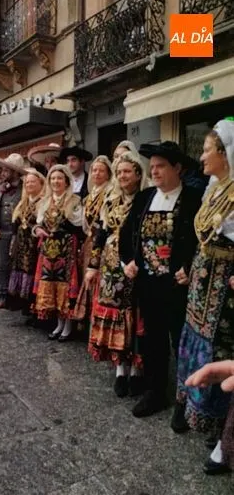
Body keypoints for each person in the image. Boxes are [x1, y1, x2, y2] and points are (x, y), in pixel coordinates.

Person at [120, 141, 202, 419]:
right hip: (148, 283)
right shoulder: (144, 198)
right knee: (152, 340)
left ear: (177, 168)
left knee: (181, 342)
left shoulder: (194, 199)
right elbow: (127, 233)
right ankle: (155, 392)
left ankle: (184, 399)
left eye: (160, 166)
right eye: (151, 167)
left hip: (178, 286)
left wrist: (190, 266)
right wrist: (128, 260)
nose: (154, 172)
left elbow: (203, 239)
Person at [175, 122, 234, 448]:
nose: (201, 157)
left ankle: (220, 426)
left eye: (207, 150)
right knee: (194, 340)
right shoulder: (214, 189)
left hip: (225, 289)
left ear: (224, 154)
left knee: (221, 347)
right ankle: (190, 405)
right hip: (201, 280)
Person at [86, 151, 147, 397]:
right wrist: (92, 265)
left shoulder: (145, 199)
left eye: (127, 171)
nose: (122, 176)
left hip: (136, 264)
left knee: (134, 316)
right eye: (119, 171)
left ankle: (137, 371)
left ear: (138, 174)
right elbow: (100, 232)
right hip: (111, 267)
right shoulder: (110, 199)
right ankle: (120, 369)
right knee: (115, 316)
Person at [32, 164, 84, 341]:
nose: (56, 181)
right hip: (48, 249)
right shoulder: (45, 201)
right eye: (53, 178)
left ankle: (68, 325)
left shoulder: (75, 200)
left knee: (65, 286)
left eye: (59, 178)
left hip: (66, 248)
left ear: (67, 181)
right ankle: (58, 324)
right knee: (51, 284)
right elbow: (38, 223)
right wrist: (38, 229)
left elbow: (79, 225)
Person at [72, 155, 113, 324]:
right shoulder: (89, 196)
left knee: (97, 279)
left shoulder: (109, 194)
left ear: (108, 174)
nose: (97, 173)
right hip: (89, 242)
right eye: (94, 170)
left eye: (101, 170)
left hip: (102, 243)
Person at [0, 154, 27, 309]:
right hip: (1, 233)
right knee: (2, 266)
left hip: (18, 234)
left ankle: (17, 298)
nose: (3, 173)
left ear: (15, 172)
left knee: (18, 267)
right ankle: (3, 296)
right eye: (2, 170)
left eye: (6, 170)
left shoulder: (25, 188)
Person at [8, 167, 47, 320]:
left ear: (40, 183)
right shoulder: (22, 202)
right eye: (27, 182)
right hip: (22, 243)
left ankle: (36, 310)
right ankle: (25, 306)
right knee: (22, 273)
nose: (29, 184)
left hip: (35, 245)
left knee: (33, 274)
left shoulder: (43, 201)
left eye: (33, 181)